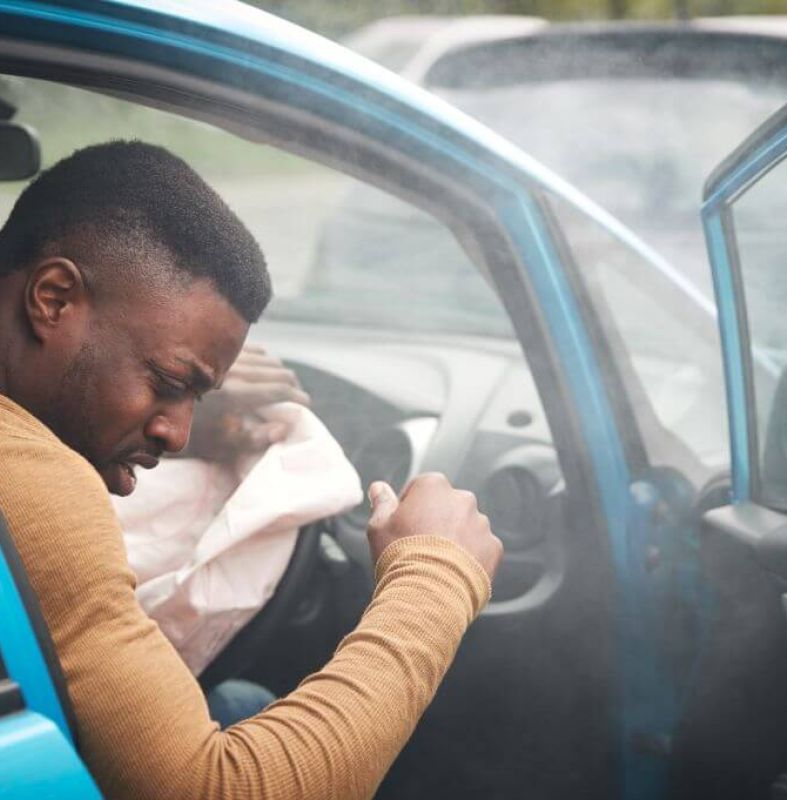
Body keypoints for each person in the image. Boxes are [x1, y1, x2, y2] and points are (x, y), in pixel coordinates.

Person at [0, 140, 503, 799]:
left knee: (238, 700)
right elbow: (220, 791)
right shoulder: (31, 477)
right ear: (55, 297)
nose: (176, 434)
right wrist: (435, 577)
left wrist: (160, 410)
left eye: (193, 402)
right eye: (169, 382)